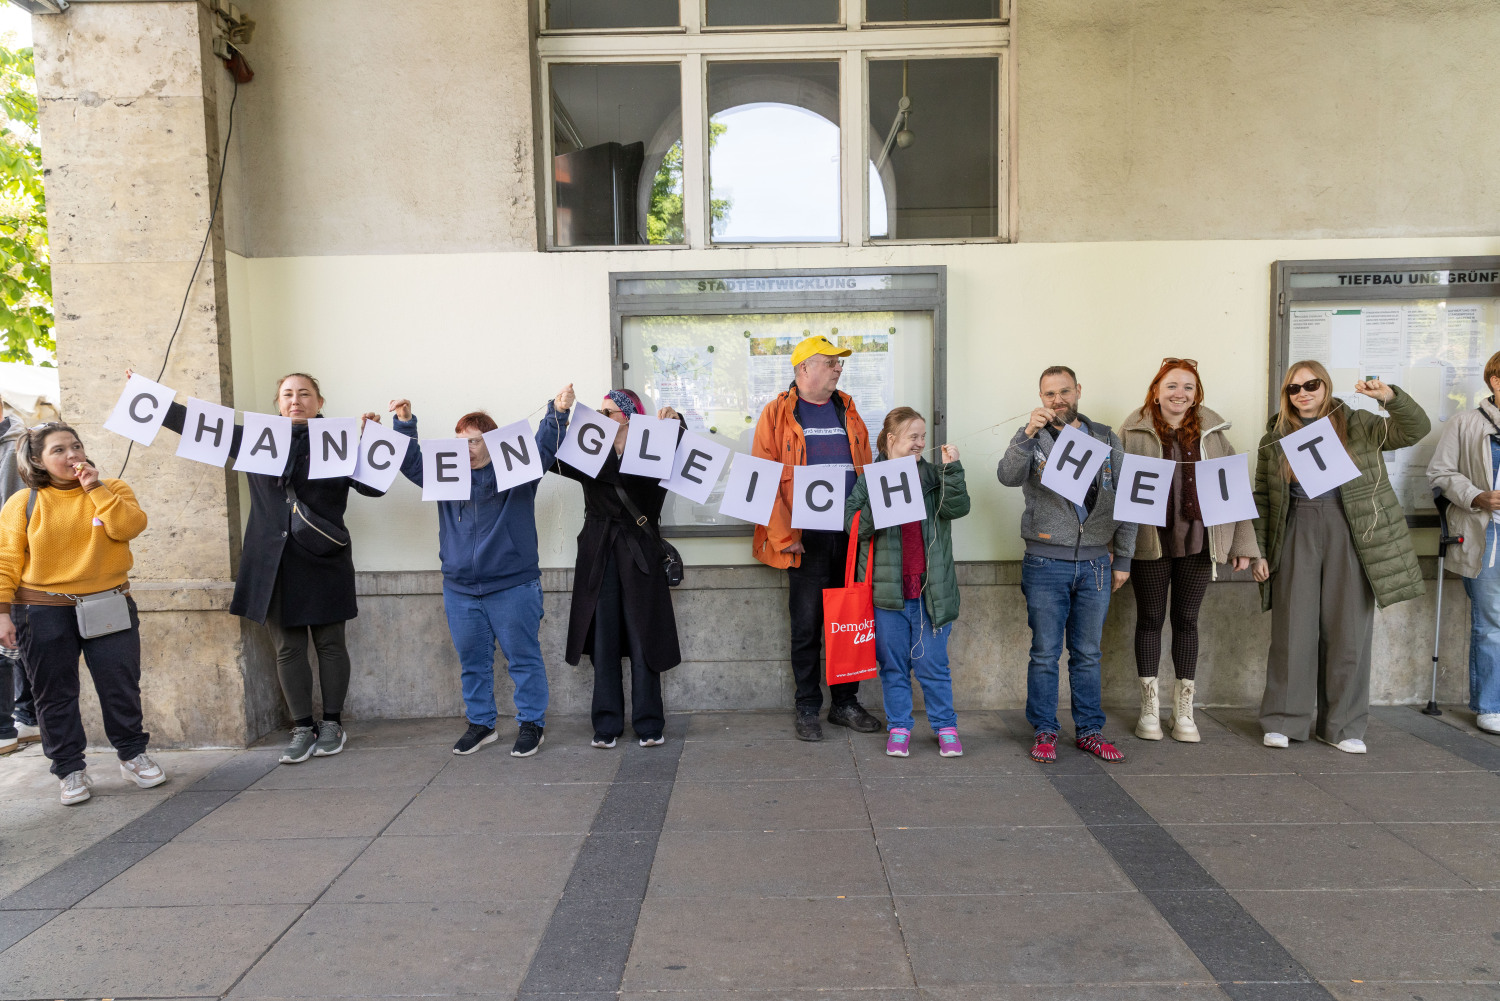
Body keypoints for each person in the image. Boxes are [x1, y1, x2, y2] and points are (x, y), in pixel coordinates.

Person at [155, 372, 388, 764]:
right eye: (287, 394)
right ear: (278, 403)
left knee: (331, 644)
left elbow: (373, 487)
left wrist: (377, 439)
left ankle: (332, 724)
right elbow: (194, 425)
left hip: (324, 557)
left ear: (319, 402)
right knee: (288, 647)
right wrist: (150, 397)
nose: (296, 400)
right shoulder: (254, 438)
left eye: (304, 394)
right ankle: (302, 728)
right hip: (273, 561)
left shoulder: (340, 439)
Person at [1251, 361, 1429, 752]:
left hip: (1351, 529)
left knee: (1349, 630)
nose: (1303, 393)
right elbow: (1262, 499)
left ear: (1325, 385)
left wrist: (1390, 398)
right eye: (1295, 388)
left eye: (1311, 384)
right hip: (1295, 528)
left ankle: (1343, 726)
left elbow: (1415, 430)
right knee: (1292, 629)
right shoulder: (1275, 438)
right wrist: (1259, 553)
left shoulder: (1359, 424)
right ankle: (1284, 720)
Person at [389, 387, 572, 756]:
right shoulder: (444, 475)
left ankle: (532, 724)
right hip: (460, 590)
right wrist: (404, 424)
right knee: (473, 663)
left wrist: (558, 411)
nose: (465, 449)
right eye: (460, 442)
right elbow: (411, 463)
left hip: (513, 586)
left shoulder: (517, 473)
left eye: (473, 442)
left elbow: (543, 448)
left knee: (524, 659)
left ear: (491, 442)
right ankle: (482, 724)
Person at [0, 424, 163, 804]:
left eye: (76, 446)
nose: (72, 455)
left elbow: (129, 527)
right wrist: (3, 612)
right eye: (59, 450)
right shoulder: (23, 502)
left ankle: (132, 755)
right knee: (54, 694)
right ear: (38, 461)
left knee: (119, 684)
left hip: (108, 602)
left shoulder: (113, 489)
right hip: (42, 609)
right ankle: (70, 769)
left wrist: (95, 489)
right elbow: (6, 560)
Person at [998, 365, 1135, 764]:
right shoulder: (1032, 437)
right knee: (1044, 652)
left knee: (1088, 653)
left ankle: (1090, 730)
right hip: (1045, 561)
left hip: (1096, 562)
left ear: (1078, 391)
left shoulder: (1106, 437)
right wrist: (1026, 436)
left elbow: (1128, 499)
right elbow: (1006, 475)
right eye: (1048, 394)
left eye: (1063, 392)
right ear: (1041, 398)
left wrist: (1123, 557)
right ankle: (1044, 730)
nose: (1057, 400)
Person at [751, 334, 882, 742]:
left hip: (849, 538)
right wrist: (783, 536)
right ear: (804, 368)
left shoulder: (850, 410)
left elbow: (867, 470)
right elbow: (762, 478)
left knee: (848, 621)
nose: (839, 368)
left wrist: (870, 524)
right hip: (803, 540)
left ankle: (844, 704)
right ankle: (807, 706)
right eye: (830, 362)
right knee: (806, 627)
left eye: (839, 363)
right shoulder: (776, 414)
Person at [1121, 359, 1259, 742]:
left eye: (1188, 387)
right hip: (1152, 542)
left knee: (1187, 621)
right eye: (1171, 386)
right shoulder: (1133, 431)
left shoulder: (1214, 435)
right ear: (1156, 390)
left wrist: (1244, 544)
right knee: (1149, 620)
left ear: (1197, 394)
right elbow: (1116, 489)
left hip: (1201, 542)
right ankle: (1149, 708)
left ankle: (1183, 710)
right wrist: (1117, 549)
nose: (1179, 393)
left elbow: (1235, 489)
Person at [551, 389, 683, 748]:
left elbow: (683, 455)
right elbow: (547, 458)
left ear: (627, 416)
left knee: (644, 637)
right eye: (598, 410)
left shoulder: (653, 448)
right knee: (603, 636)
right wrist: (557, 415)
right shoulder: (588, 450)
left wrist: (676, 425)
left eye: (607, 412)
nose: (599, 416)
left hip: (640, 551)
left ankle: (649, 722)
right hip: (599, 551)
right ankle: (606, 723)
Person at [846, 407, 970, 757]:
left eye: (922, 436)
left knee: (933, 666)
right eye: (913, 436)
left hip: (930, 592)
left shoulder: (933, 474)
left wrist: (953, 470)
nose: (920, 442)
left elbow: (957, 509)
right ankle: (899, 726)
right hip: (888, 594)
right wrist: (877, 501)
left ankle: (945, 727)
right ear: (891, 440)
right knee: (894, 666)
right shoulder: (871, 479)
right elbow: (852, 525)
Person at [1429, 352, 1500, 734]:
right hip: (1485, 533)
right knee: (1491, 622)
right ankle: (1491, 705)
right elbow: (1439, 472)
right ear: (1496, 382)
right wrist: (1477, 496)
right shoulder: (1466, 424)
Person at [0, 405, 38, 755]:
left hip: (12, 549)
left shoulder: (16, 444)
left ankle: (12, 725)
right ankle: (26, 719)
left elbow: (16, 500)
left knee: (13, 643)